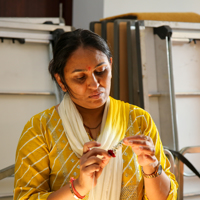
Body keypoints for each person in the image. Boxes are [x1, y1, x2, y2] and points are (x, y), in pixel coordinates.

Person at [14, 29, 178, 200]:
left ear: (111, 66)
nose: (94, 84)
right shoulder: (40, 129)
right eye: (80, 77)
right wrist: (79, 187)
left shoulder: (139, 120)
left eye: (100, 71)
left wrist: (151, 167)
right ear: (61, 81)